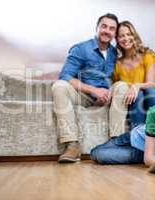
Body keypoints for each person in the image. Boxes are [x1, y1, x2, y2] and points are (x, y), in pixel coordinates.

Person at [51, 13, 119, 163]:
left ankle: (117, 142)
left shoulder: (115, 53)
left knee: (122, 86)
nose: (107, 30)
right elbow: (65, 75)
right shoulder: (81, 49)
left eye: (112, 28)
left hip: (107, 98)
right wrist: (94, 90)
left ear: (115, 33)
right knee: (59, 86)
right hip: (83, 95)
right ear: (97, 27)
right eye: (104, 26)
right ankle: (72, 145)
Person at [109, 21, 155, 137]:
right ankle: (139, 136)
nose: (126, 38)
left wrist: (135, 86)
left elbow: (150, 83)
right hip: (131, 102)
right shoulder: (117, 63)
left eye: (128, 34)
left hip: (150, 98)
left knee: (150, 91)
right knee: (138, 95)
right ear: (117, 39)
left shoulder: (147, 55)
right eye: (121, 36)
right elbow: (118, 87)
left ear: (134, 36)